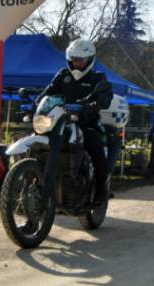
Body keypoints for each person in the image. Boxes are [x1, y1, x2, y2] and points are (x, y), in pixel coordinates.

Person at [38, 38, 113, 205]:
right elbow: (48, 93)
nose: (77, 63)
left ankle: (101, 191)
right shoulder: (63, 75)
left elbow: (105, 96)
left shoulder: (97, 77)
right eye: (74, 59)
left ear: (90, 60)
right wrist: (36, 103)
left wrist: (95, 104)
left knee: (96, 147)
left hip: (86, 123)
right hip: (59, 122)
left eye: (81, 60)